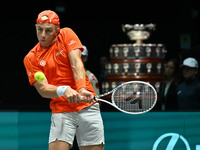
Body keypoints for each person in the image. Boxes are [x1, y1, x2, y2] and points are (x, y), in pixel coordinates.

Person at [23, 10, 104, 150]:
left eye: (48, 31)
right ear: (35, 27)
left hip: (87, 106)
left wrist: (81, 88)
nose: (43, 35)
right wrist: (64, 90)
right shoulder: (31, 58)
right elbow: (43, 89)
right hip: (61, 110)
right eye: (39, 29)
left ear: (57, 31)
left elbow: (76, 63)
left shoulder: (66, 34)